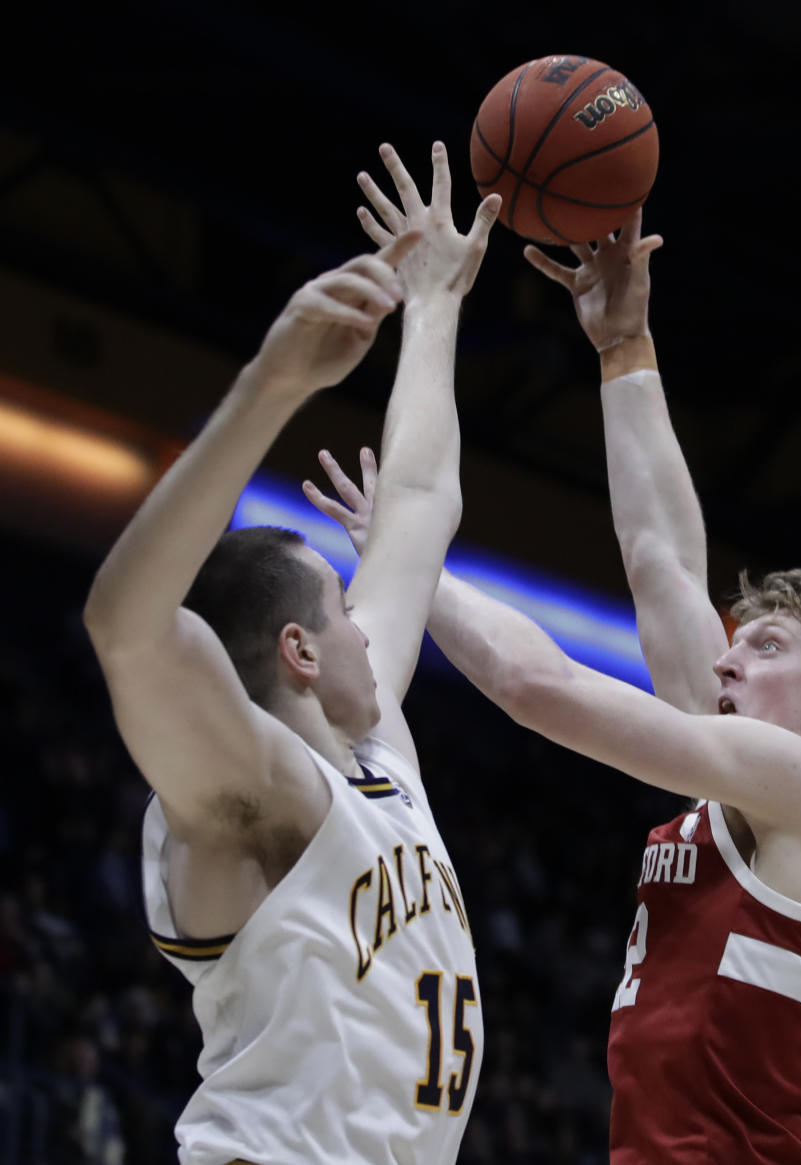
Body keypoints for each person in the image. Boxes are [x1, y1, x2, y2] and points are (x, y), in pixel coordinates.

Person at [308, 208, 801, 1164]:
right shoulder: (743, 780)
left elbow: (533, 682)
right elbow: (659, 561)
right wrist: (623, 346)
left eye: (764, 646)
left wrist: (414, 559)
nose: (726, 658)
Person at [83, 142, 499, 1165]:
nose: (375, 620)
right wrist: (270, 386)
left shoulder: (377, 749)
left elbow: (416, 506)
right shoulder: (253, 786)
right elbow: (128, 626)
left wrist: (436, 303)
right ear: (301, 648)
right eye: (346, 612)